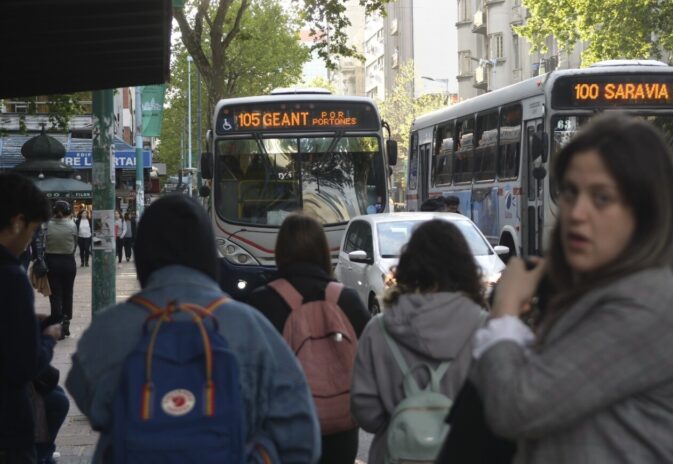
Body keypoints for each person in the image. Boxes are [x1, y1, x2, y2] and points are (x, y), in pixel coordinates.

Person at [471, 113, 673, 463]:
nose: (577, 213)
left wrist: (505, 312)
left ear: (646, 211)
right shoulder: (594, 287)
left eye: (602, 198)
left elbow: (516, 407)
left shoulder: (645, 302)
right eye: (570, 192)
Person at [66, 194, 320, 464]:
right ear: (208, 251)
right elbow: (302, 437)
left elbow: (89, 401)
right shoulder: (251, 328)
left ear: (143, 252)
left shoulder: (107, 330)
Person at [351, 219, 488, 464]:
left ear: (408, 267)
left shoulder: (379, 330)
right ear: (466, 269)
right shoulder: (484, 329)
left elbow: (366, 414)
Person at [248, 213, 370, 464]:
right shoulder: (347, 300)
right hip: (341, 430)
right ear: (323, 250)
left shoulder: (261, 302)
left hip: (284, 430)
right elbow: (370, 359)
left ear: (280, 251)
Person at [0, 173, 60, 463]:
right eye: (33, 230)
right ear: (18, 222)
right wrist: (47, 339)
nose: (30, 241)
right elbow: (23, 366)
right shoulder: (10, 277)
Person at [45, 201, 78, 340]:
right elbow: (75, 244)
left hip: (52, 261)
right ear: (68, 212)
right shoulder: (72, 225)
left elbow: (43, 243)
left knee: (55, 295)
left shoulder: (47, 225)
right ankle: (66, 322)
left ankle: (56, 324)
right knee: (68, 293)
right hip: (68, 261)